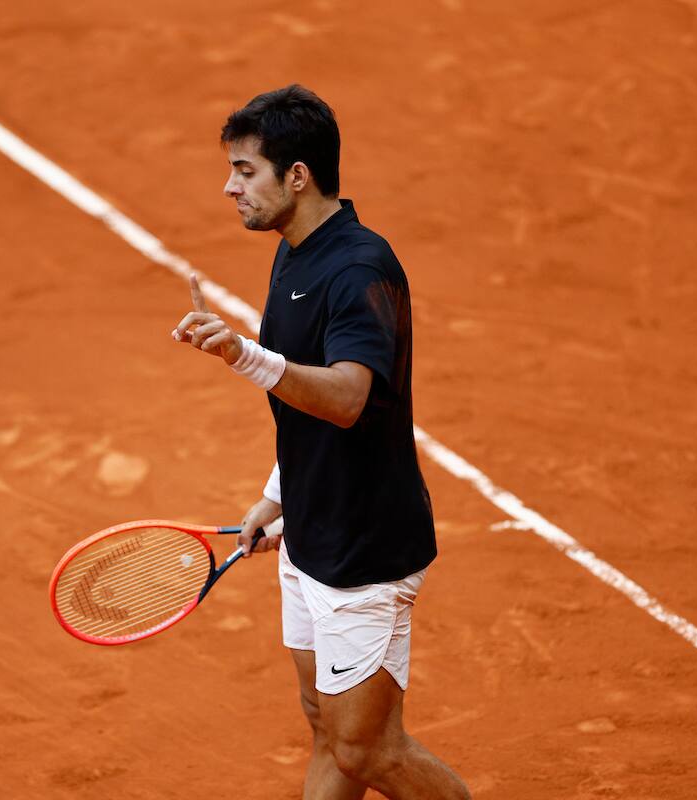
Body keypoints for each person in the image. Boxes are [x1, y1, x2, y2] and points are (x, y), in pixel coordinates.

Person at [171, 85, 472, 800]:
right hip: (312, 530)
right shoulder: (295, 253)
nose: (230, 187)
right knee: (324, 725)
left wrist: (243, 355)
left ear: (297, 176)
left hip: (364, 549)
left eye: (246, 171)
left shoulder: (358, 268)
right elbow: (304, 414)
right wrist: (278, 496)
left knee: (371, 751)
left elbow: (346, 397)